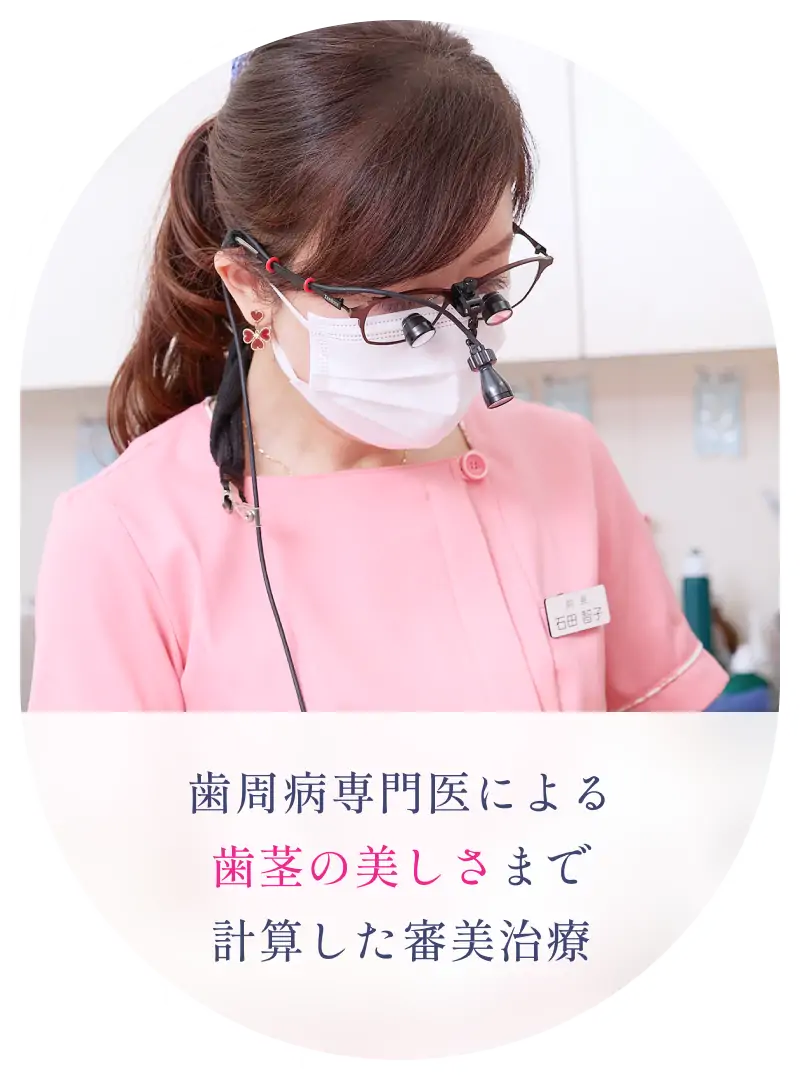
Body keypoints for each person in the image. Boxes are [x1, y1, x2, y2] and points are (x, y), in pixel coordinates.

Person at [28, 20, 728, 712]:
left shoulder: (565, 463)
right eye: (392, 303)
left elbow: (673, 757)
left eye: (483, 285)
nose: (450, 333)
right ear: (250, 286)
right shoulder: (124, 536)